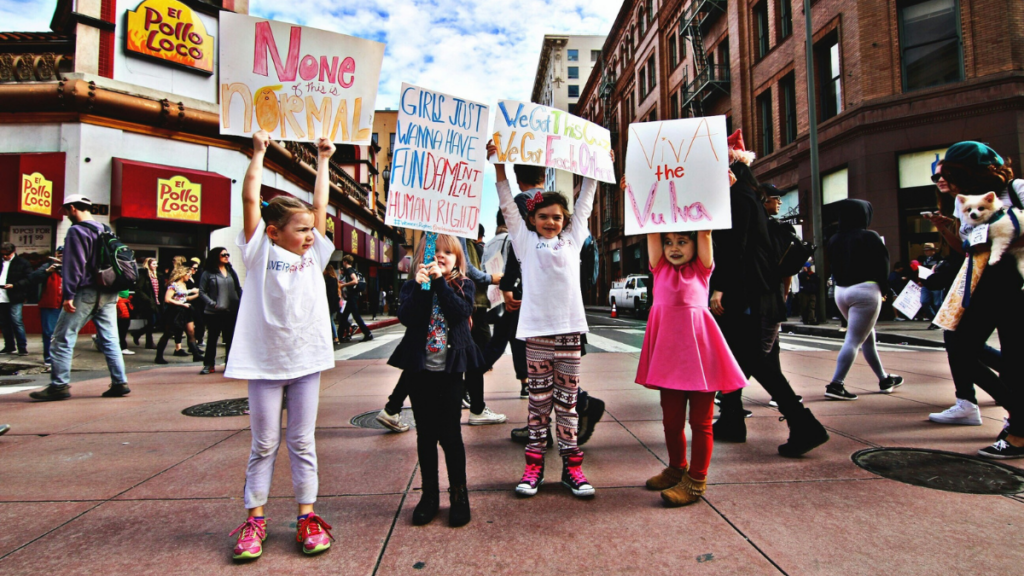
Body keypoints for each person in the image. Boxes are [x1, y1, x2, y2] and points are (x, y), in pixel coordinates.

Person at [227, 131, 337, 559]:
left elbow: (321, 206)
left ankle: (307, 516)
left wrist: (324, 160)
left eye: (312, 229)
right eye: (302, 229)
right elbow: (250, 201)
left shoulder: (315, 255)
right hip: (264, 363)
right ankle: (255, 519)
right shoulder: (258, 251)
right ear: (274, 232)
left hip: (306, 360)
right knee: (264, 444)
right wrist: (258, 152)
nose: (310, 235)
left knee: (303, 441)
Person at [490, 139, 600, 498]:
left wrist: (595, 168)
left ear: (565, 221)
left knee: (567, 404)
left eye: (557, 217)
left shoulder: (573, 238)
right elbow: (507, 203)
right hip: (536, 334)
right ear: (532, 220)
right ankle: (533, 467)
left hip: (568, 332)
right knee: (537, 405)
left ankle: (572, 469)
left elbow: (585, 203)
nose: (550, 222)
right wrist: (498, 167)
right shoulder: (523, 241)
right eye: (543, 217)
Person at [710, 133, 829, 456]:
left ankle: (803, 424)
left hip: (750, 297)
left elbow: (736, 248)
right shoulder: (747, 196)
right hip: (758, 296)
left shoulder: (739, 198)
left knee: (756, 363)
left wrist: (719, 286)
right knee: (739, 359)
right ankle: (732, 419)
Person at [638, 229, 747, 507]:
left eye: (682, 242)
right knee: (671, 422)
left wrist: (717, 188)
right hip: (668, 359)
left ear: (694, 245)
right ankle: (677, 468)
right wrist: (635, 192)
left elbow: (706, 232)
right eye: (669, 242)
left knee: (701, 422)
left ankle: (697, 480)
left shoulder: (701, 269)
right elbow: (650, 230)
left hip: (701, 357)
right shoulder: (659, 267)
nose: (674, 247)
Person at [930, 142, 1024, 458]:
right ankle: (1021, 419)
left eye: (952, 175)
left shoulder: (1017, 190)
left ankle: (1019, 432)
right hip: (984, 284)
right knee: (959, 348)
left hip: (1017, 283)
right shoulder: (965, 203)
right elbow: (968, 250)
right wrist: (947, 231)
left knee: (1014, 363)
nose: (949, 183)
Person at [388, 234, 480, 527]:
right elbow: (407, 316)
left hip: (450, 371)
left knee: (451, 435)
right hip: (420, 371)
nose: (440, 256)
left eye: (447, 253)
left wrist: (440, 283)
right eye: (433, 251)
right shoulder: (412, 286)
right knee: (425, 435)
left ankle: (459, 493)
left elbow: (459, 311)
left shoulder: (464, 285)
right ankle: (429, 495)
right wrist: (421, 286)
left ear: (457, 260)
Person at [29, 195, 129, 401]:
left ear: (72, 208)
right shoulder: (105, 229)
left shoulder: (77, 231)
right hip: (109, 291)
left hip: (86, 291)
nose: (65, 215)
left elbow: (74, 266)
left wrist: (68, 295)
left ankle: (59, 385)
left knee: (62, 338)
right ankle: (119, 382)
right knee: (110, 339)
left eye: (66, 211)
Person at [824, 199, 904, 400]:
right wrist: (884, 290)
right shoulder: (870, 236)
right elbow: (882, 266)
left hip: (841, 291)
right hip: (866, 290)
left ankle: (884, 378)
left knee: (866, 337)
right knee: (854, 340)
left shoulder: (834, 238)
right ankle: (836, 384)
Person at [198, 247, 241, 374]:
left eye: (228, 254)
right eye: (223, 255)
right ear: (216, 256)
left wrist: (241, 302)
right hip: (214, 312)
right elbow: (201, 291)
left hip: (231, 311)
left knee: (230, 339)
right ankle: (209, 364)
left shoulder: (231, 271)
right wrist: (212, 303)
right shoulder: (208, 273)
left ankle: (230, 364)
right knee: (212, 339)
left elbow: (238, 288)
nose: (227, 256)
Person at [153, 266, 201, 364]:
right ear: (183, 274)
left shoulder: (184, 284)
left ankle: (196, 354)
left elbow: (185, 298)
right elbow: (167, 299)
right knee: (168, 333)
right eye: (188, 274)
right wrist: (181, 304)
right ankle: (159, 356)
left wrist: (198, 295)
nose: (189, 276)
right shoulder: (173, 285)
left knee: (191, 331)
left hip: (186, 309)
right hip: (175, 311)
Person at [0, 242, 33, 355]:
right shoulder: (1, 262)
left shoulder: (22, 263)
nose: (4, 256)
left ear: (13, 252)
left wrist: (14, 285)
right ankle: (9, 346)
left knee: (16, 321)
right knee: (4, 323)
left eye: (7, 254)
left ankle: (22, 347)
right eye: (3, 254)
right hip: (1, 295)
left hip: (15, 296)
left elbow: (29, 279)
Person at [338, 254, 373, 342]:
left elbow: (355, 281)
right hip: (353, 295)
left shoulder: (349, 270)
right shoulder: (353, 269)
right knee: (344, 316)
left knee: (356, 316)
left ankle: (367, 333)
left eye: (343, 262)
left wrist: (343, 285)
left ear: (345, 262)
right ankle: (340, 336)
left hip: (352, 296)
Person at [131, 258, 161, 349]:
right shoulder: (143, 275)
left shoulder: (156, 275)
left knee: (155, 321)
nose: (156, 266)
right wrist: (148, 300)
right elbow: (138, 289)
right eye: (153, 264)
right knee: (152, 321)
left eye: (156, 264)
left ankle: (137, 333)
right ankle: (148, 341)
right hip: (147, 302)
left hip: (156, 301)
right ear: (148, 265)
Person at [917, 243, 943, 321]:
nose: (926, 252)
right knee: (924, 301)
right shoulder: (924, 259)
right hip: (926, 283)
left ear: (933, 251)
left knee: (937, 303)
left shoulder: (939, 259)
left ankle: (939, 320)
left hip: (936, 284)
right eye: (925, 251)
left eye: (928, 250)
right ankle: (934, 318)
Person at [324, 265, 342, 347]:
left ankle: (335, 337)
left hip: (329, 304)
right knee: (330, 320)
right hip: (333, 304)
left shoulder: (329, 280)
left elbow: (330, 294)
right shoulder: (334, 279)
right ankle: (335, 337)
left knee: (330, 320)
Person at [116, 290, 133, 355]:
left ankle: (122, 346)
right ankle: (122, 347)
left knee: (123, 324)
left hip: (124, 300)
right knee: (123, 324)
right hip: (120, 300)